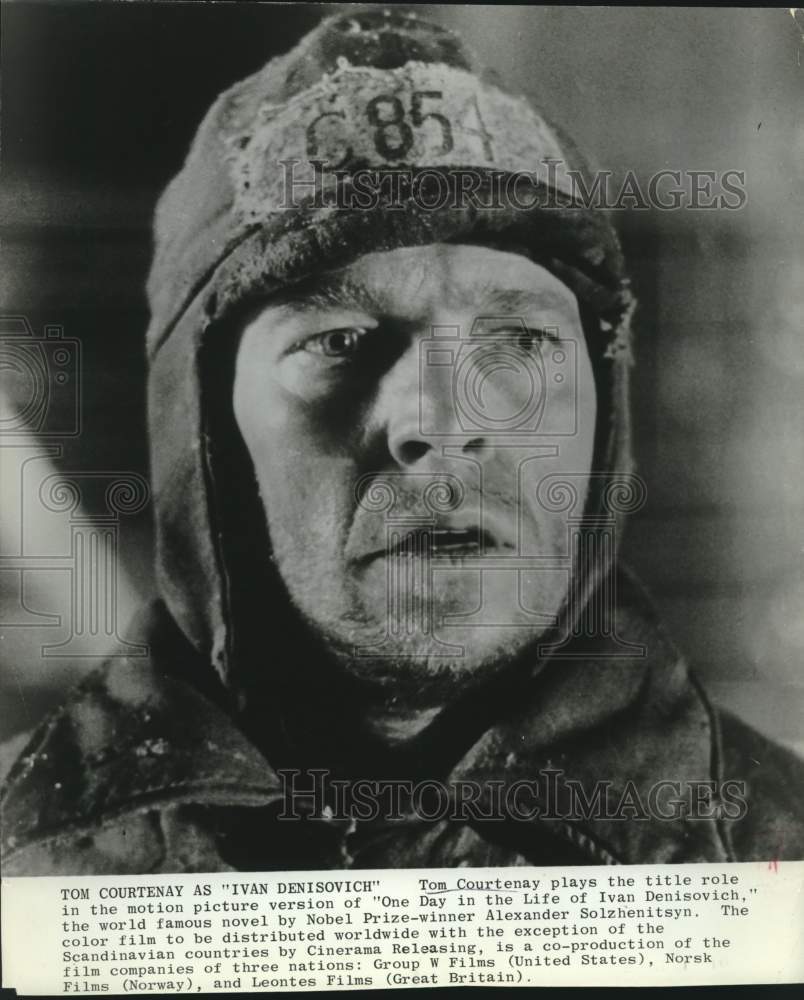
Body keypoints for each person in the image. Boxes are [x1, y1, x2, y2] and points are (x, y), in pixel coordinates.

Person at [2, 8, 802, 874]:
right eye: (339, 341)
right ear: (203, 428)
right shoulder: (26, 857)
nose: (443, 422)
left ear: (603, 416)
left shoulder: (775, 857)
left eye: (518, 343)